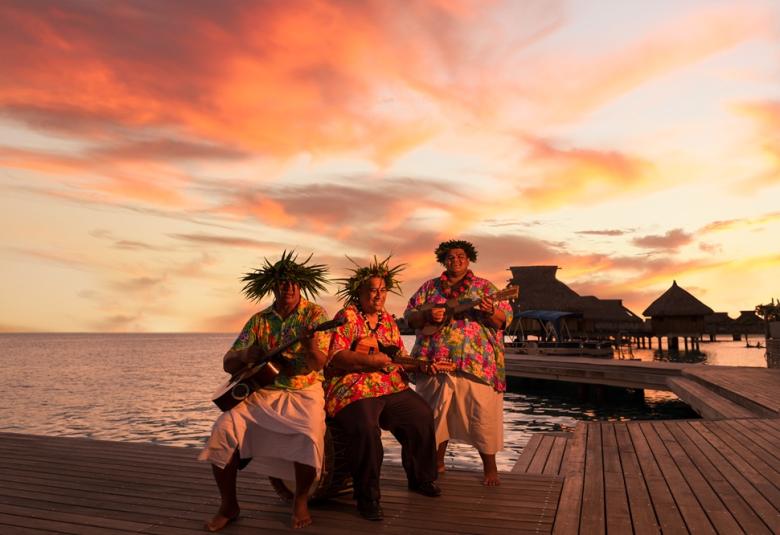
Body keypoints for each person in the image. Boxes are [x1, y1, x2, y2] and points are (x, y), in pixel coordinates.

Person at [199, 251, 331, 530]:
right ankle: (228, 504)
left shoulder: (315, 315)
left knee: (309, 432)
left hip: (302, 390)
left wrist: (309, 346)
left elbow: (319, 363)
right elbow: (228, 362)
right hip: (262, 391)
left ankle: (300, 499)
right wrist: (249, 354)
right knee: (223, 429)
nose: (289, 288)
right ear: (273, 286)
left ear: (301, 286)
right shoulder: (259, 320)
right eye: (283, 283)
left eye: (294, 283)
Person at [325, 256, 441, 521]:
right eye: (373, 290)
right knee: (365, 427)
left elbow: (398, 356)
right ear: (361, 293)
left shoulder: (388, 319)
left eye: (382, 290)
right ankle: (367, 497)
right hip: (353, 386)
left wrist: (420, 365)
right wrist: (369, 361)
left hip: (389, 385)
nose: (378, 295)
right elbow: (337, 355)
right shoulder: (347, 316)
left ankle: (421, 478)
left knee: (421, 414)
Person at [404, 240, 513, 486]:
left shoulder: (485, 287)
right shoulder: (429, 288)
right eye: (451, 257)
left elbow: (502, 320)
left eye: (461, 256)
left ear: (469, 258)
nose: (456, 260)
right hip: (434, 361)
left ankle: (490, 467)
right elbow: (409, 316)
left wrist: (489, 311)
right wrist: (426, 315)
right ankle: (436, 463)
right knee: (435, 416)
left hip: (475, 363)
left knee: (481, 416)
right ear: (444, 260)